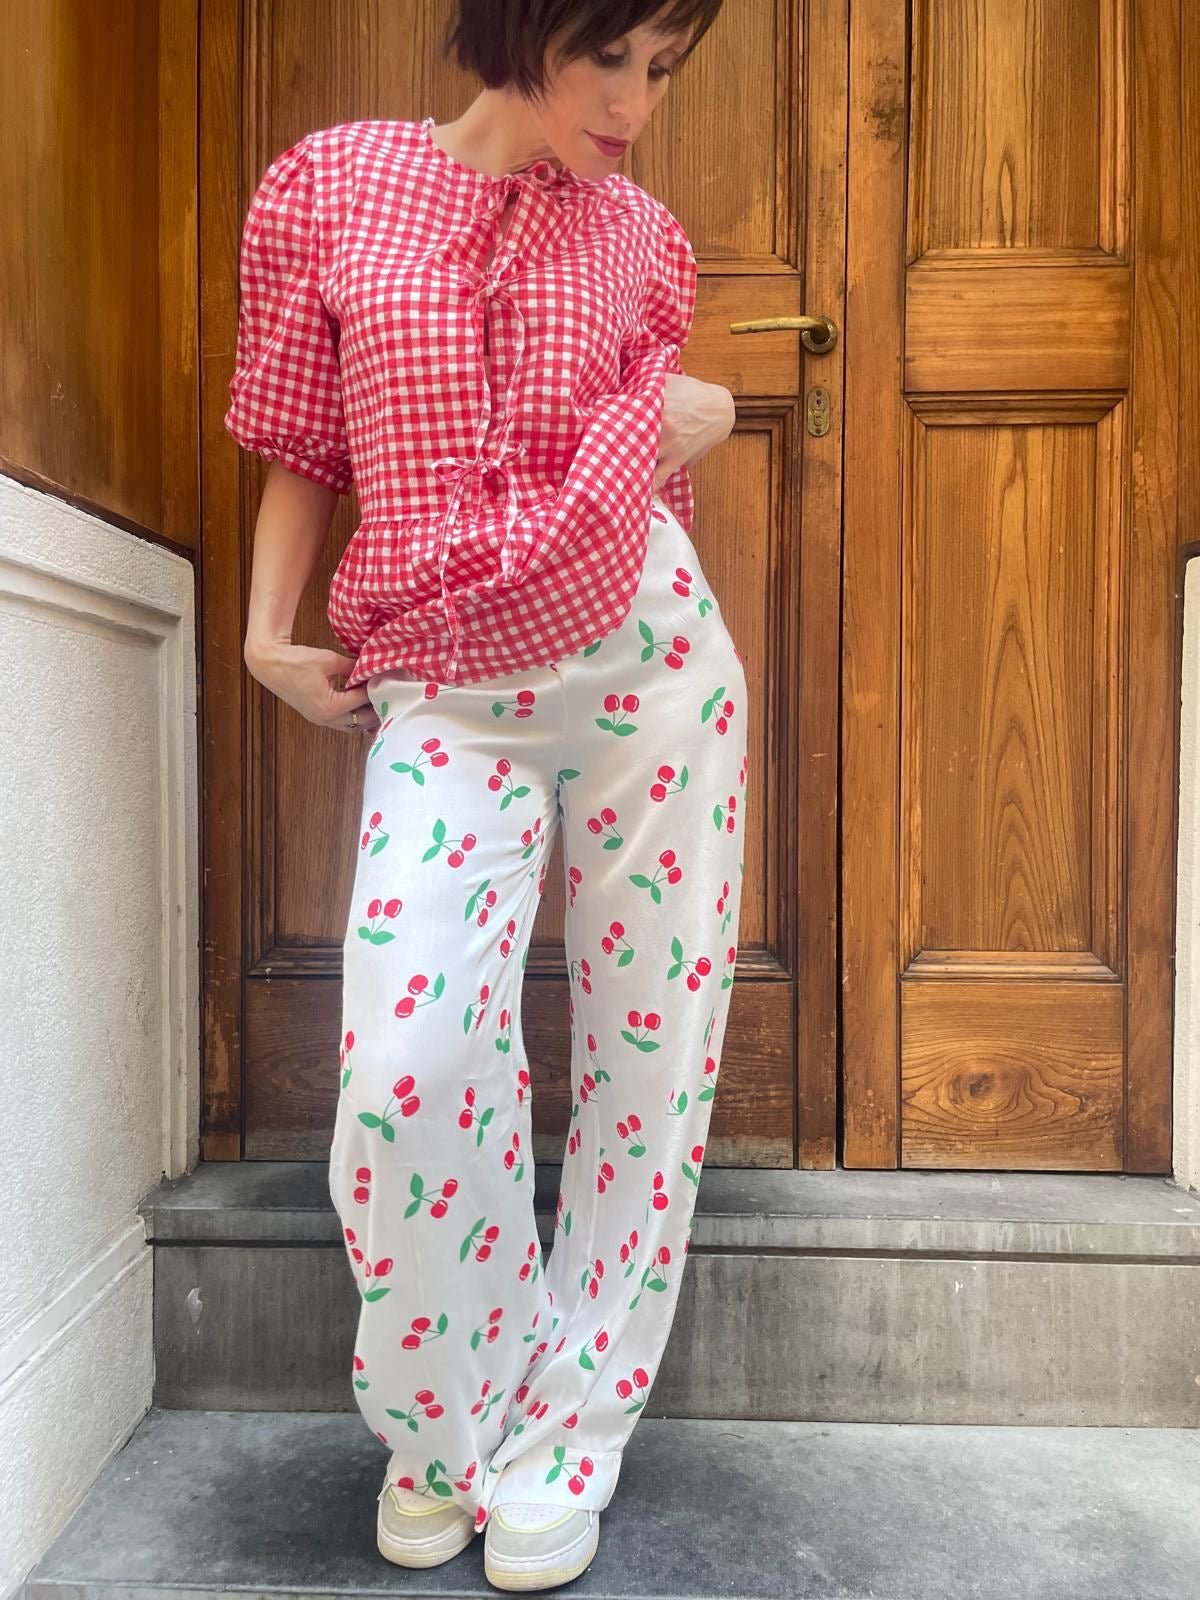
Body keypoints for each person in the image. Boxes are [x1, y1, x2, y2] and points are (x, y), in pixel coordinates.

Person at [224, 2, 737, 1590]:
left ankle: (564, 1440)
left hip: (648, 657)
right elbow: (304, 436)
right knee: (411, 1059)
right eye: (610, 55)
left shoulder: (645, 240)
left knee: (652, 1056)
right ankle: (447, 1428)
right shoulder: (330, 184)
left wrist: (685, 421)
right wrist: (263, 633)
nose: (636, 102)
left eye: (663, 69)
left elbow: (638, 468)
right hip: (444, 684)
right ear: (522, 22)